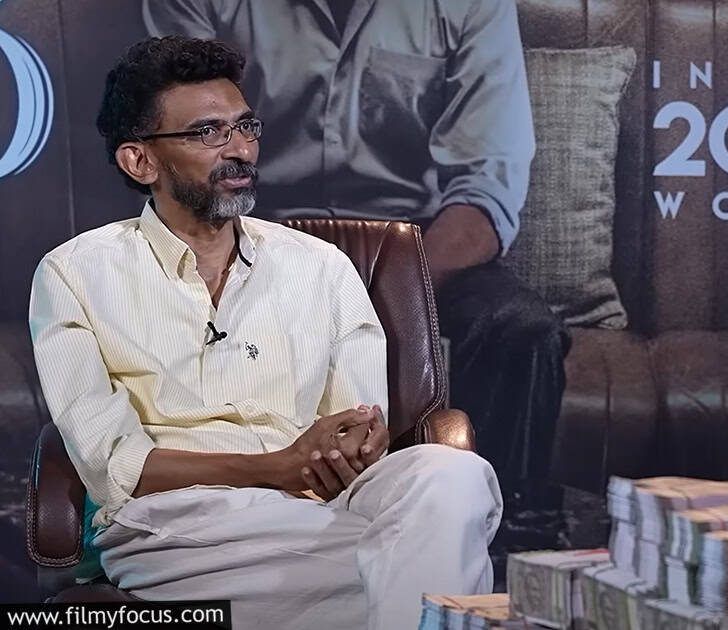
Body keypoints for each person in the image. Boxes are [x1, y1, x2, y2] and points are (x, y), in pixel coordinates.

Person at [28, 36, 501, 629]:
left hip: (325, 511)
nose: (240, 150)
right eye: (208, 132)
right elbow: (116, 466)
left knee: (451, 474)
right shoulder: (74, 273)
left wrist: (358, 442)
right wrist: (274, 467)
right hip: (179, 523)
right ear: (140, 161)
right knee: (421, 565)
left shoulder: (321, 266)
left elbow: (356, 429)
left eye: (245, 127)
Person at [143, 0, 569, 491]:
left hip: (415, 246)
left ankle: (507, 524)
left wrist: (384, 294)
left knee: (523, 333)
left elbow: (485, 192)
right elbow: (181, 153)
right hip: (249, 226)